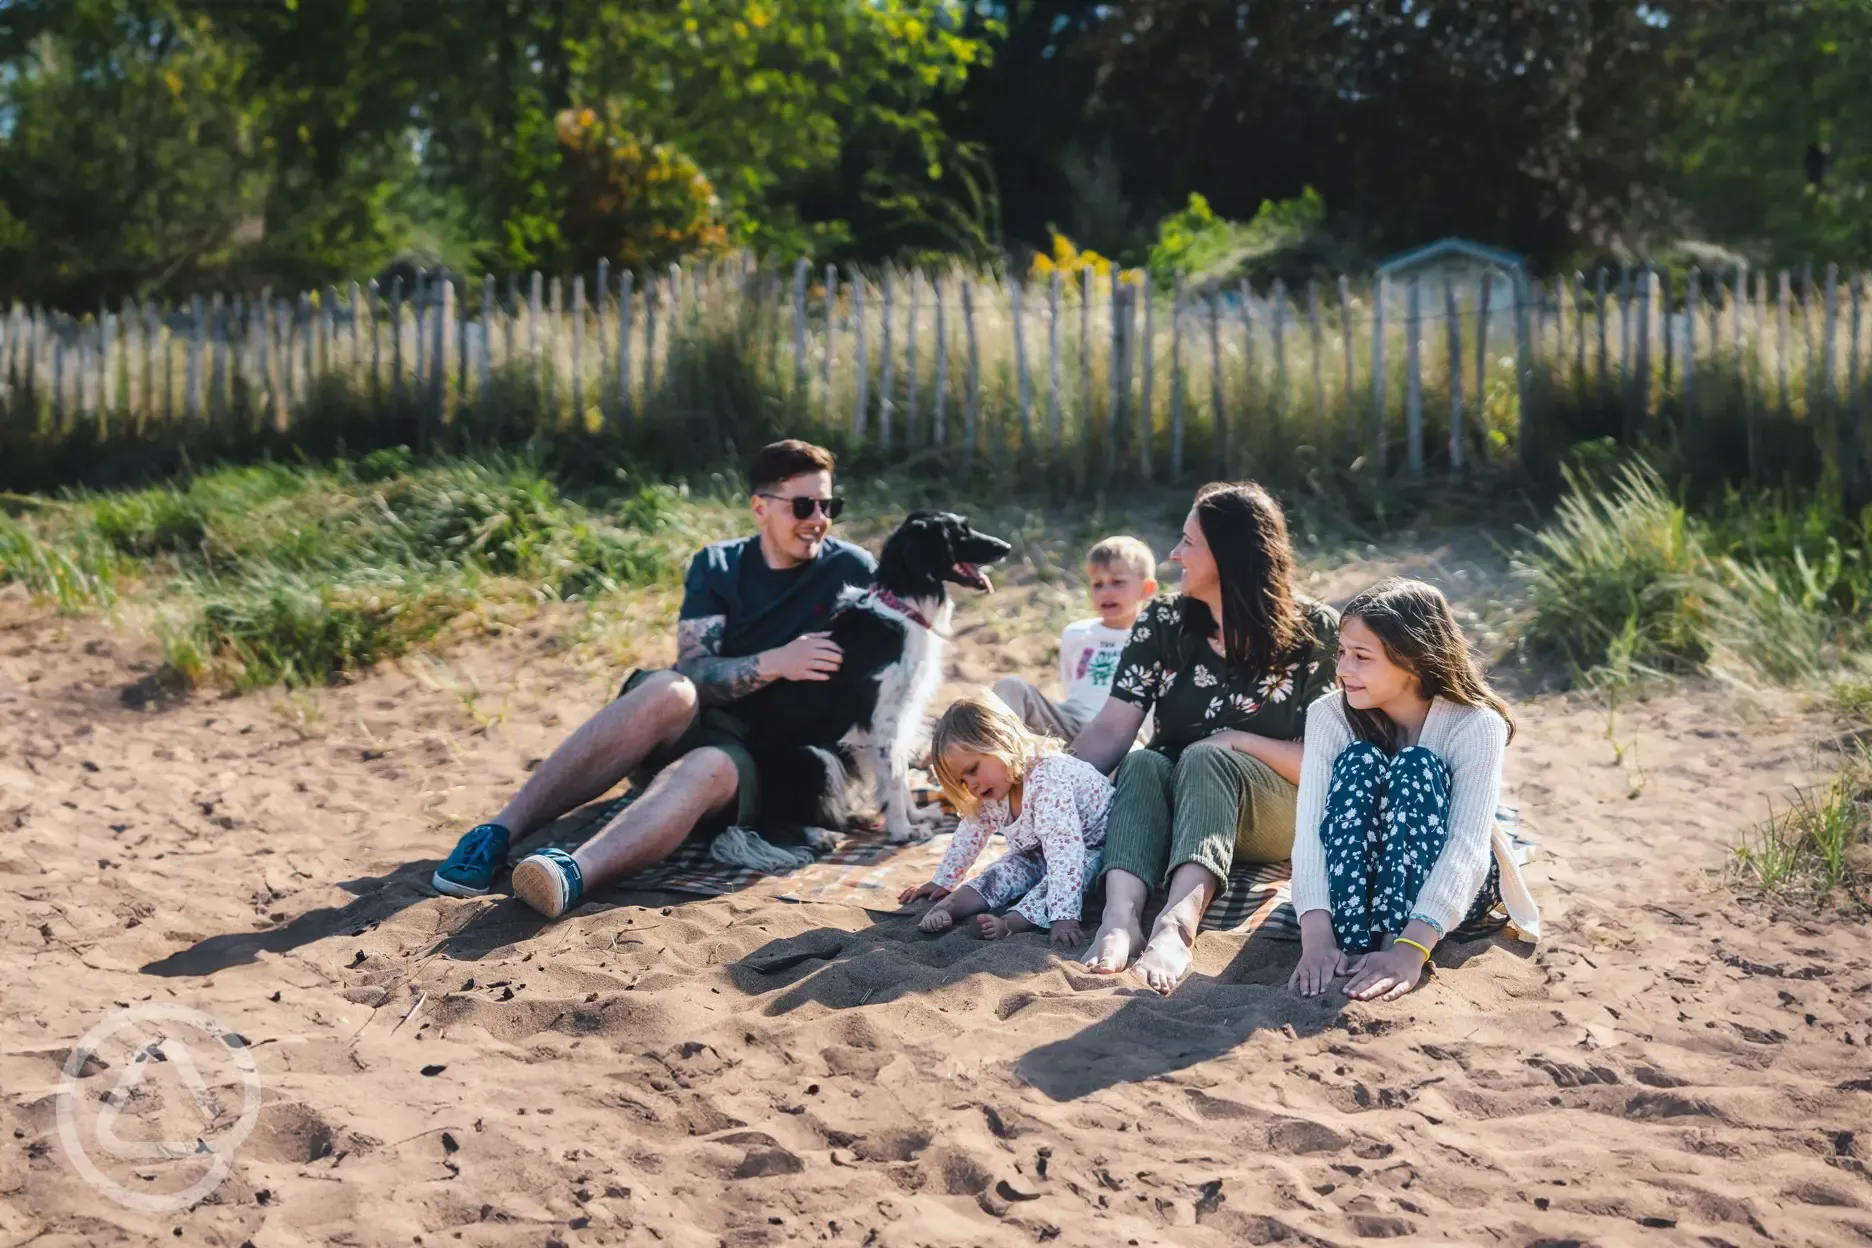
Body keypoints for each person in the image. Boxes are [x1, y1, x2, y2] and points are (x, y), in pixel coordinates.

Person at [430, 440, 876, 918]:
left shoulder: (852, 570)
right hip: (683, 724)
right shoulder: (718, 565)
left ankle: (570, 874)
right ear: (759, 507)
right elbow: (696, 671)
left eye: (829, 506)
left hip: (756, 757)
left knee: (708, 766)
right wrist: (777, 661)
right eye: (805, 505)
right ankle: (495, 834)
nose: (819, 520)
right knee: (672, 689)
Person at [1071, 482, 1340, 993]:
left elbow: (1323, 763)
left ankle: (1175, 925)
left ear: (1231, 553)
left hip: (1273, 806)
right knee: (1144, 763)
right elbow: (1113, 725)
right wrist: (1055, 782)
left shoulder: (1315, 632)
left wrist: (1232, 741)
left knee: (1204, 759)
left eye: (1188, 542)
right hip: (1176, 802)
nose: (1173, 555)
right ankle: (1120, 918)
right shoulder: (1164, 621)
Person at [1287, 578, 1540, 1001]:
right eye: (1343, 653)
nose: (1344, 670)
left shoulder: (1475, 725)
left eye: (1362, 657)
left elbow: (1467, 847)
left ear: (1414, 661)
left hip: (1445, 895)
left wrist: (1411, 949)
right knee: (1360, 761)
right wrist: (1315, 937)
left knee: (1415, 765)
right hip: (1361, 889)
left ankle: (1389, 947)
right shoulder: (1329, 715)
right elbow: (1311, 830)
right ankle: (1353, 947)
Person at [899, 693, 1112, 946]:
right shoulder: (991, 790)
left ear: (1000, 741)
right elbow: (971, 832)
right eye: (963, 782)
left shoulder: (1047, 778)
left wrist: (1064, 917)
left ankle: (1011, 923)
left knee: (1057, 883)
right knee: (999, 873)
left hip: (1092, 847)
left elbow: (1066, 851)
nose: (972, 785)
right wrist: (944, 880)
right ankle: (949, 907)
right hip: (1039, 852)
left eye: (972, 769)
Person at [992, 536, 1158, 741]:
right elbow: (1071, 687)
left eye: (1117, 583)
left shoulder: (1157, 638)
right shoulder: (1076, 634)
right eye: (1098, 584)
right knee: (1011, 687)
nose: (1106, 592)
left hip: (1124, 736)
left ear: (1147, 589)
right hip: (1071, 726)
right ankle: (999, 758)